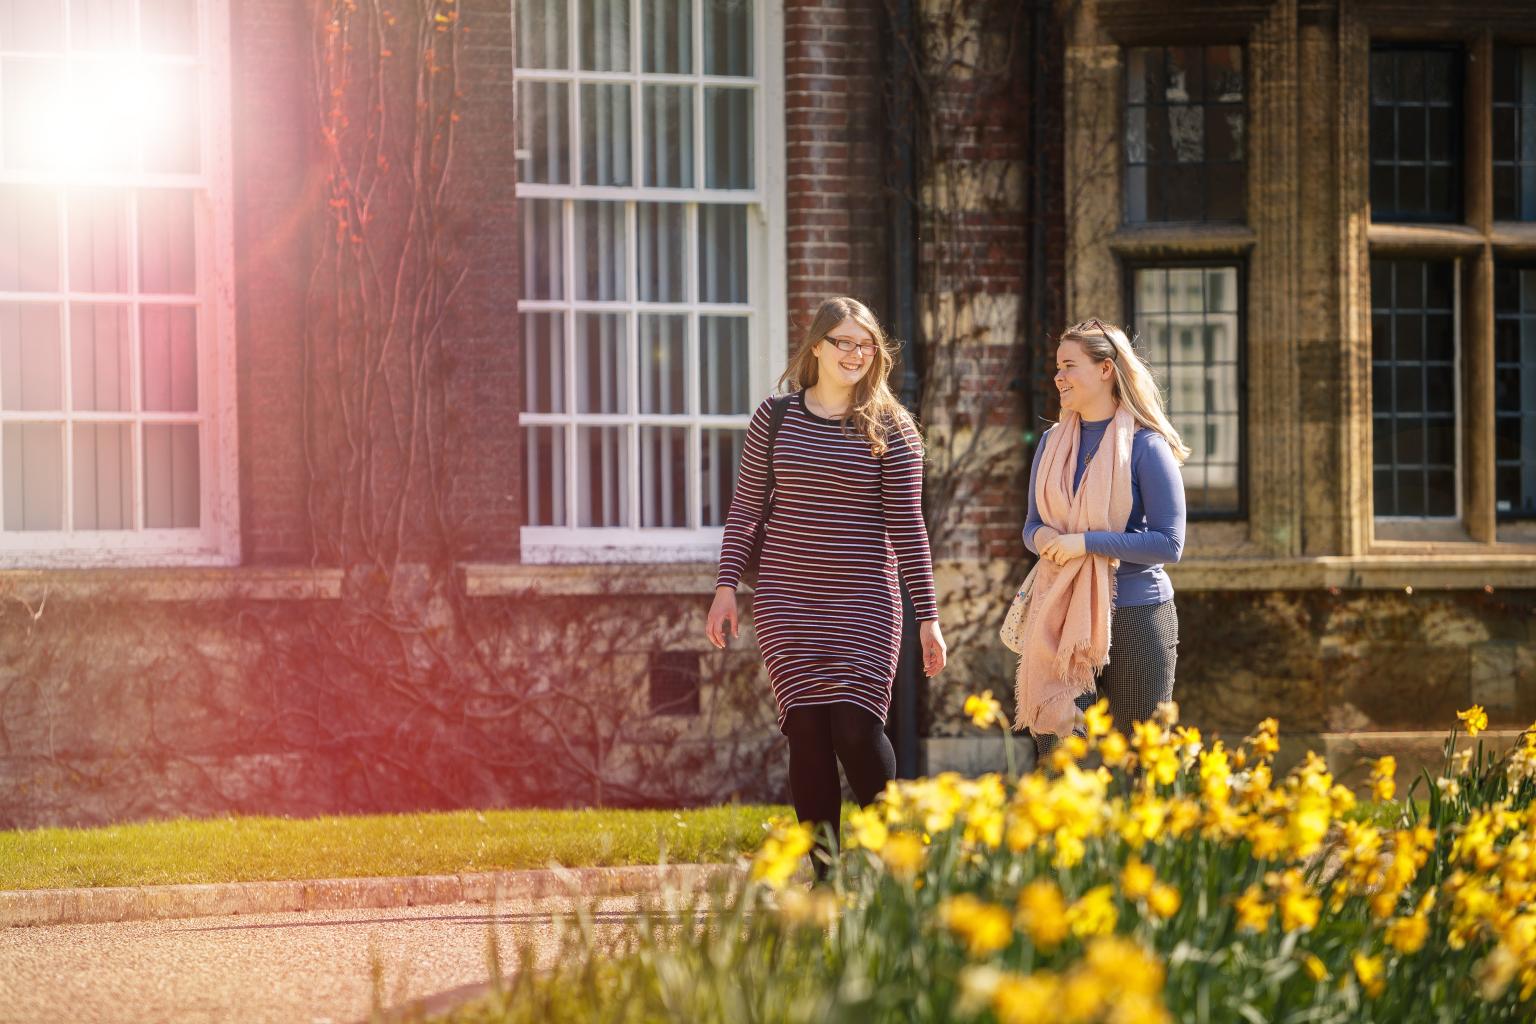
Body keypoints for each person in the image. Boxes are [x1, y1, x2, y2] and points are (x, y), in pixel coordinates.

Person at [706, 296, 947, 875]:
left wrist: (928, 617)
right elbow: (746, 509)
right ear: (816, 346)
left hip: (865, 597)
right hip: (787, 599)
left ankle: (899, 859)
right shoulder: (777, 417)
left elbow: (907, 527)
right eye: (842, 341)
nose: (855, 353)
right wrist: (726, 586)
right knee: (808, 732)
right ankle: (826, 877)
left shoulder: (892, 427)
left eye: (865, 344)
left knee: (856, 729)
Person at [1018, 318, 1188, 758]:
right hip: (1060, 616)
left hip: (1136, 615)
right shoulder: (1053, 442)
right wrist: (1047, 541)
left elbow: (1169, 543)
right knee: (1060, 760)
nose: (1058, 376)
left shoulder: (1147, 447)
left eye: (1069, 365)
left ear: (1106, 369)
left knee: (1137, 764)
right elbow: (1032, 526)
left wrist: (1086, 543)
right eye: (1057, 366)